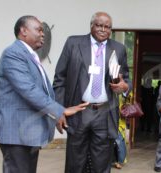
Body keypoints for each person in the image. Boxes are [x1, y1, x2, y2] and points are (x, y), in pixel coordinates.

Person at [0, 15, 88, 173]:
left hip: (28, 132)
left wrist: (55, 114)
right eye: (39, 30)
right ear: (24, 31)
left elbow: (41, 92)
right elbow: (28, 89)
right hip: (16, 132)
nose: (43, 34)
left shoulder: (30, 55)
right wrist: (59, 110)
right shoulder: (13, 53)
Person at [53, 12, 131, 173]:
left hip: (105, 113)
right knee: (75, 162)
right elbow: (60, 79)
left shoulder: (119, 49)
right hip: (79, 111)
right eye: (99, 25)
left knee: (101, 164)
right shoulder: (73, 43)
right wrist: (59, 110)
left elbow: (127, 80)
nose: (103, 29)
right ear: (91, 26)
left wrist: (124, 87)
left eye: (107, 27)